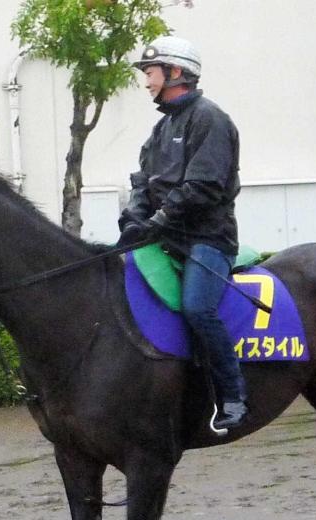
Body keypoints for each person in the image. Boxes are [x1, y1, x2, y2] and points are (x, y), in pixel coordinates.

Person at [118, 36, 246, 433]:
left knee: (196, 307)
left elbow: (203, 187)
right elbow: (143, 182)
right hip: (167, 237)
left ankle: (232, 396)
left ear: (175, 72)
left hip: (208, 240)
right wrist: (132, 221)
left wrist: (157, 221)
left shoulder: (211, 120)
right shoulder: (162, 127)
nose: (146, 82)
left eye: (151, 73)